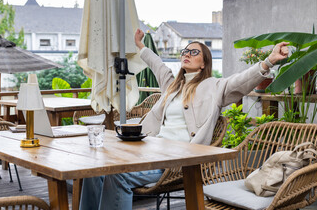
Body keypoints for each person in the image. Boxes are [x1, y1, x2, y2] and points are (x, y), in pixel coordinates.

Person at [79, 29, 289, 210]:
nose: (187, 54)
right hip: (149, 150)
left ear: (203, 62)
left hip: (174, 162)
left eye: (194, 52)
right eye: (185, 51)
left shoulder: (214, 87)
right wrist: (140, 45)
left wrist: (269, 61)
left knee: (118, 176)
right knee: (94, 170)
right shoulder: (172, 85)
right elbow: (157, 64)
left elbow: (241, 81)